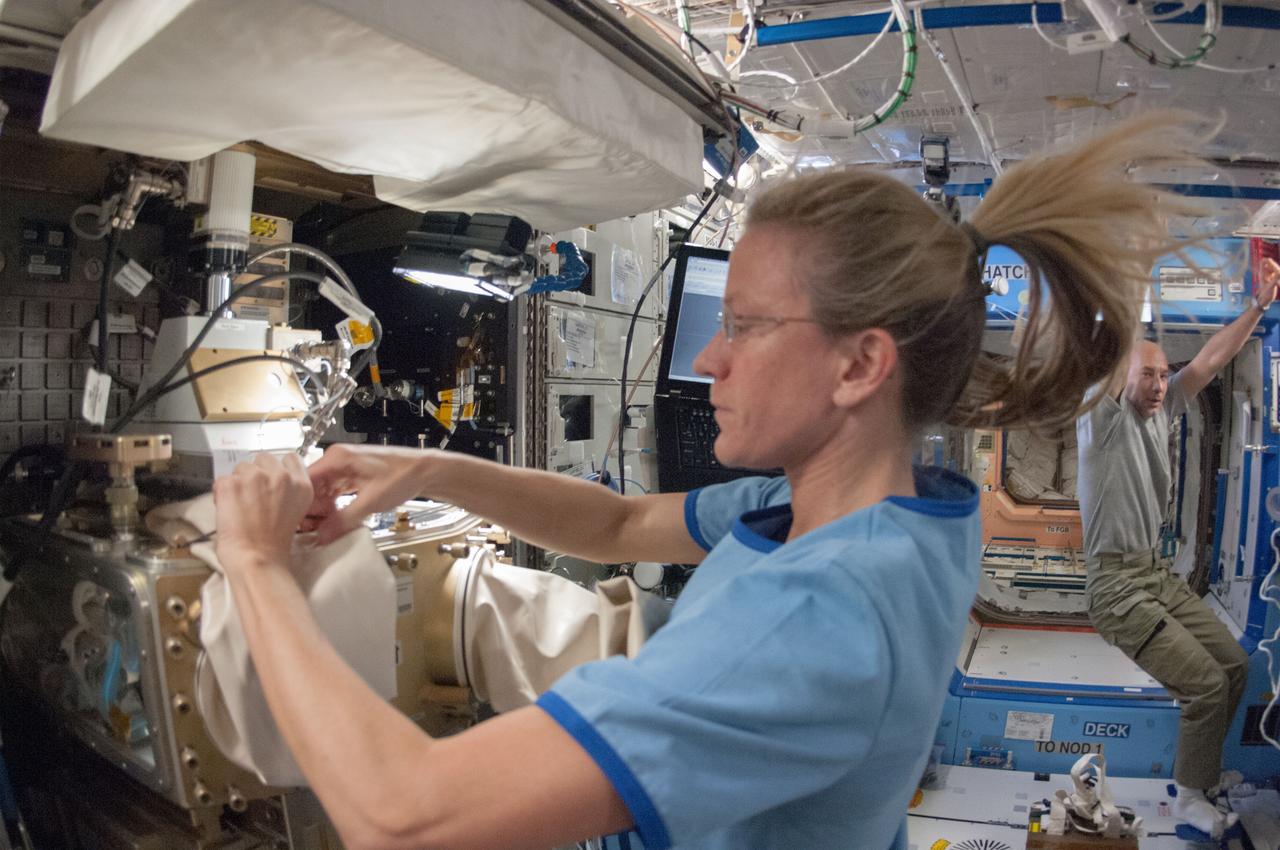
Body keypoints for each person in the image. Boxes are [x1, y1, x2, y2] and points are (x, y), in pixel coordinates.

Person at [211, 113, 1200, 850]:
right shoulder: (887, 510)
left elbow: (403, 816)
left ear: (858, 366)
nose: (710, 361)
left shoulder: (815, 612)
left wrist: (255, 563)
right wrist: (425, 468)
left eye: (747, 325)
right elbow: (620, 520)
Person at [1077, 254, 1280, 838]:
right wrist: (1133, 255)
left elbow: (1213, 358)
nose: (1161, 384)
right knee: (1207, 687)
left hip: (1155, 574)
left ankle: (1204, 775)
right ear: (1121, 376)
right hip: (1115, 587)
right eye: (1148, 375)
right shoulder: (1101, 419)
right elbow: (1116, 352)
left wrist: (1260, 306)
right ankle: (1192, 797)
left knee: (1236, 666)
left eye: (1166, 374)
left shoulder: (1164, 414)